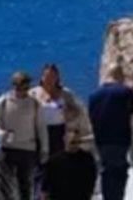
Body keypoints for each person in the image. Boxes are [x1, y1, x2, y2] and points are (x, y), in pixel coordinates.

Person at [31, 64, 97, 200]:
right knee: (41, 167)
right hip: (42, 134)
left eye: (53, 76)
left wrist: (70, 114)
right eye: (47, 76)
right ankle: (40, 195)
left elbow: (79, 111)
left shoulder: (66, 94)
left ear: (58, 77)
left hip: (61, 133)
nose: (50, 79)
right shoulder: (34, 94)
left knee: (59, 166)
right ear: (42, 77)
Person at [0, 71, 47, 200]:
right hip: (7, 148)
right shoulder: (3, 102)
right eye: (21, 87)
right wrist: (1, 133)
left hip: (27, 149)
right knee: (4, 183)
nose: (24, 91)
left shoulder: (34, 104)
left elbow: (41, 127)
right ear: (14, 86)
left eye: (26, 87)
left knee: (25, 184)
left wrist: (44, 149)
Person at [88, 65, 133, 200]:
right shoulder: (126, 92)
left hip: (101, 141)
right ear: (121, 75)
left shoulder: (93, 96)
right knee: (119, 172)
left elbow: (91, 119)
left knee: (106, 171)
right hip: (120, 139)